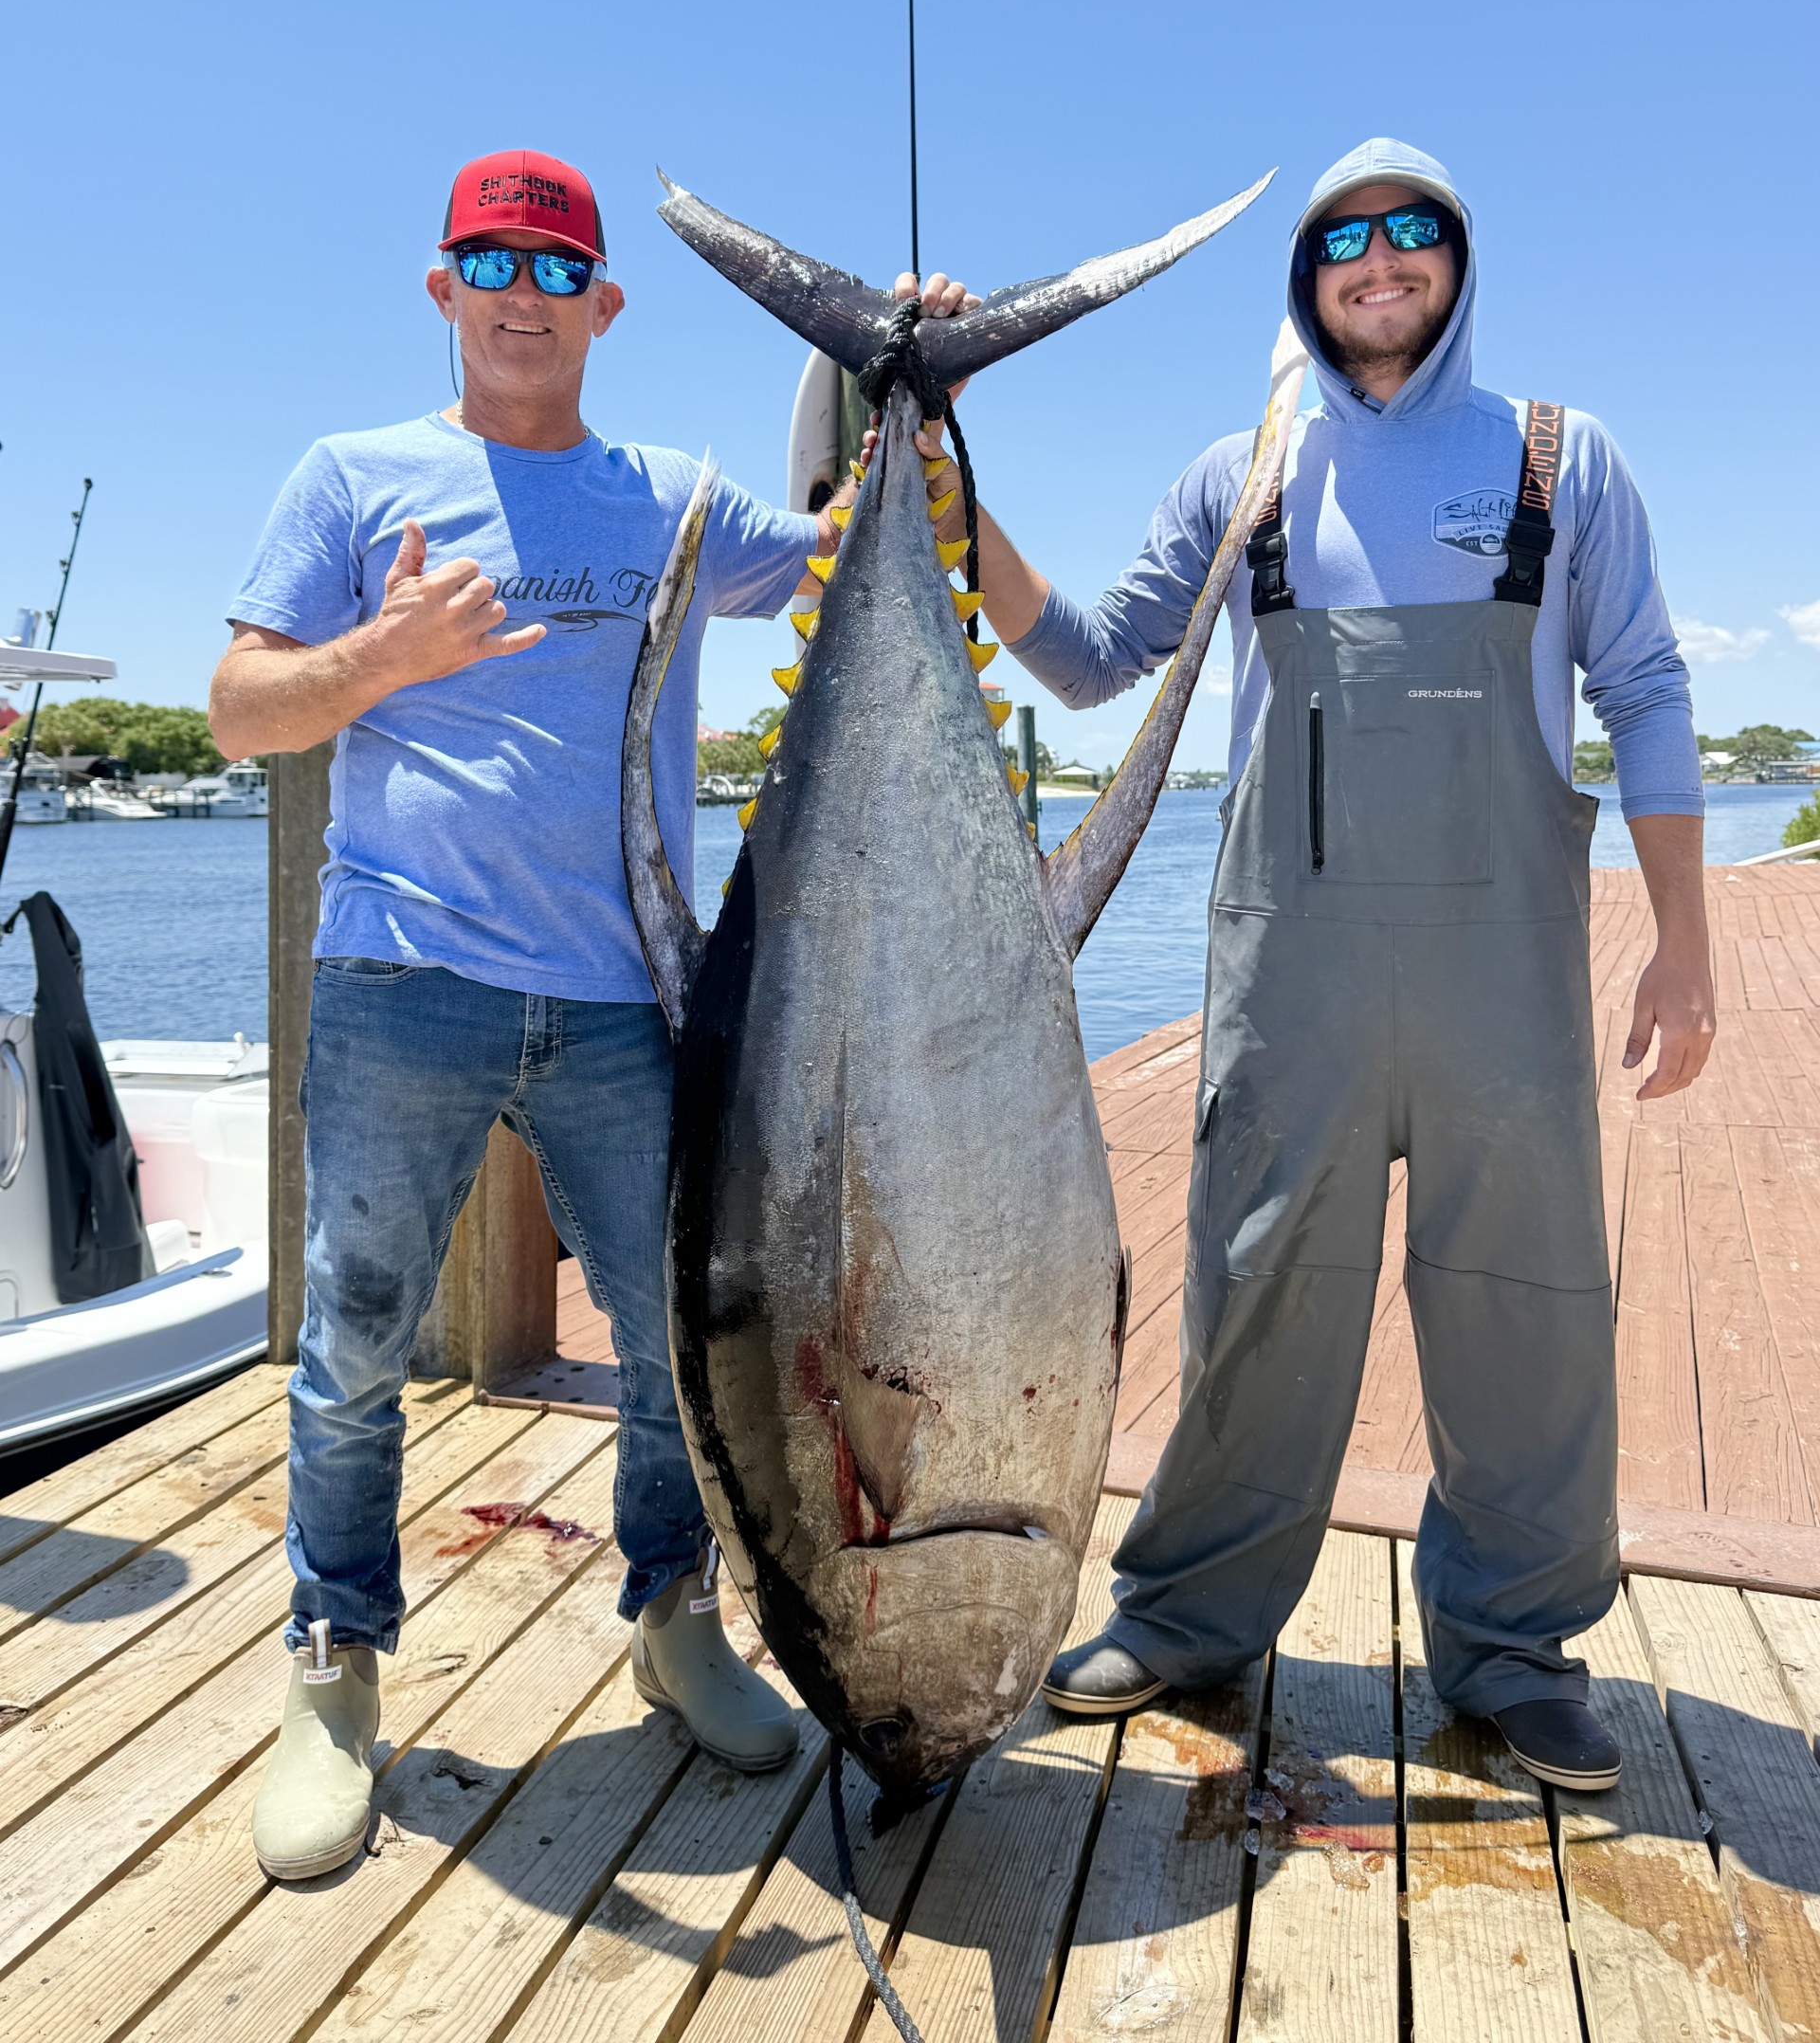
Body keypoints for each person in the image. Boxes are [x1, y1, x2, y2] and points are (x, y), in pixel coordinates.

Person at [908, 139, 1715, 1791]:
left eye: (1414, 231)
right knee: (1252, 1288)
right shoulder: (1243, 474)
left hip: (1509, 992)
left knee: (1527, 1315)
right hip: (1295, 986)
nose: (1381, 258)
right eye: (1345, 238)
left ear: (1457, 262)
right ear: (1308, 277)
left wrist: (1689, 945)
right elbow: (1087, 664)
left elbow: (1646, 690)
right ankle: (1189, 1616)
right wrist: (957, 510)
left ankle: (1513, 1650)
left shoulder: (1565, 462)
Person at [212, 149, 847, 1880]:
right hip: (400, 980)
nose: (520, 291)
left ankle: (672, 1619)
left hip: (624, 998)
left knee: (668, 1347)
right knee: (352, 1347)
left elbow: (846, 556)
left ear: (601, 304)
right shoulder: (351, 478)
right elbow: (234, 711)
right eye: (488, 260)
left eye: (554, 268)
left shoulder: (674, 498)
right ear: (441, 287)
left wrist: (900, 369)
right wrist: (377, 662)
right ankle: (334, 1669)